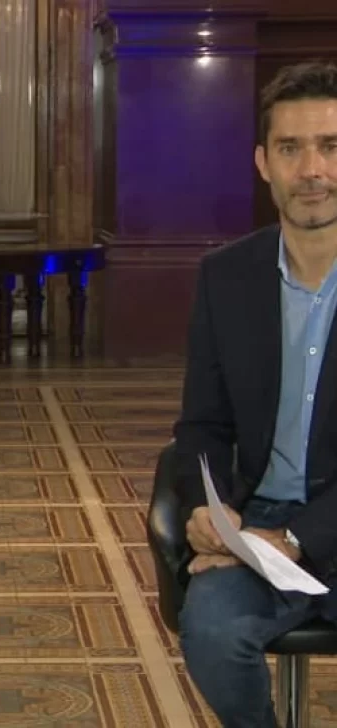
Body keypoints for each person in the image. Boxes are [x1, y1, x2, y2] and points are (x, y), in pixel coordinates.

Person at [173, 59, 337, 727]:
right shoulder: (226, 276)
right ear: (264, 163)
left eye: (330, 146)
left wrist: (297, 537)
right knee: (211, 631)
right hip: (258, 519)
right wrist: (207, 510)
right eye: (291, 149)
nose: (312, 170)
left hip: (314, 522)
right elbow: (202, 425)